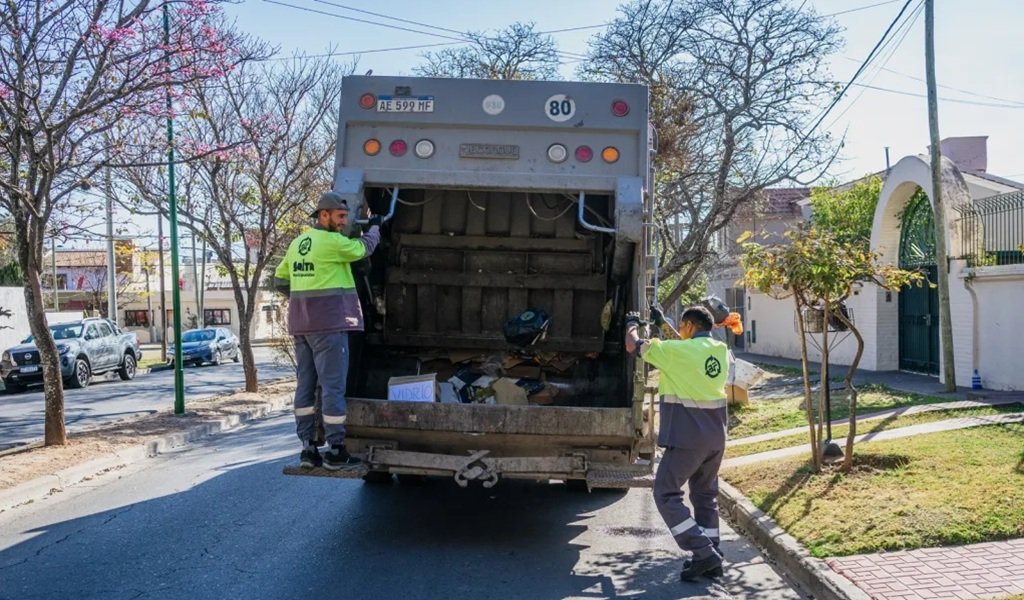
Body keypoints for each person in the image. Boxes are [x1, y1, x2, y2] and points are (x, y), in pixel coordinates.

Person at [273, 191, 382, 471]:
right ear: (324, 215)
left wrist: (304, 299)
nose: (345, 222)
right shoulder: (333, 242)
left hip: (301, 325)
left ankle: (308, 448)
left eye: (346, 217)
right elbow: (362, 249)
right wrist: (376, 229)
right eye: (341, 216)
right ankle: (335, 449)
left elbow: (280, 280)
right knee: (334, 387)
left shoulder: (298, 243)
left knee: (305, 387)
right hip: (330, 326)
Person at [624, 305, 731, 581]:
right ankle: (711, 558)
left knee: (665, 493)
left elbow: (633, 346)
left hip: (687, 437)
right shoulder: (719, 351)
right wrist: (664, 325)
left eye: (681, 327)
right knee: (705, 496)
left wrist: (631, 324)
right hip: (715, 437)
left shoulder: (676, 352)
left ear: (688, 325)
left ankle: (703, 551)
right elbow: (685, 348)